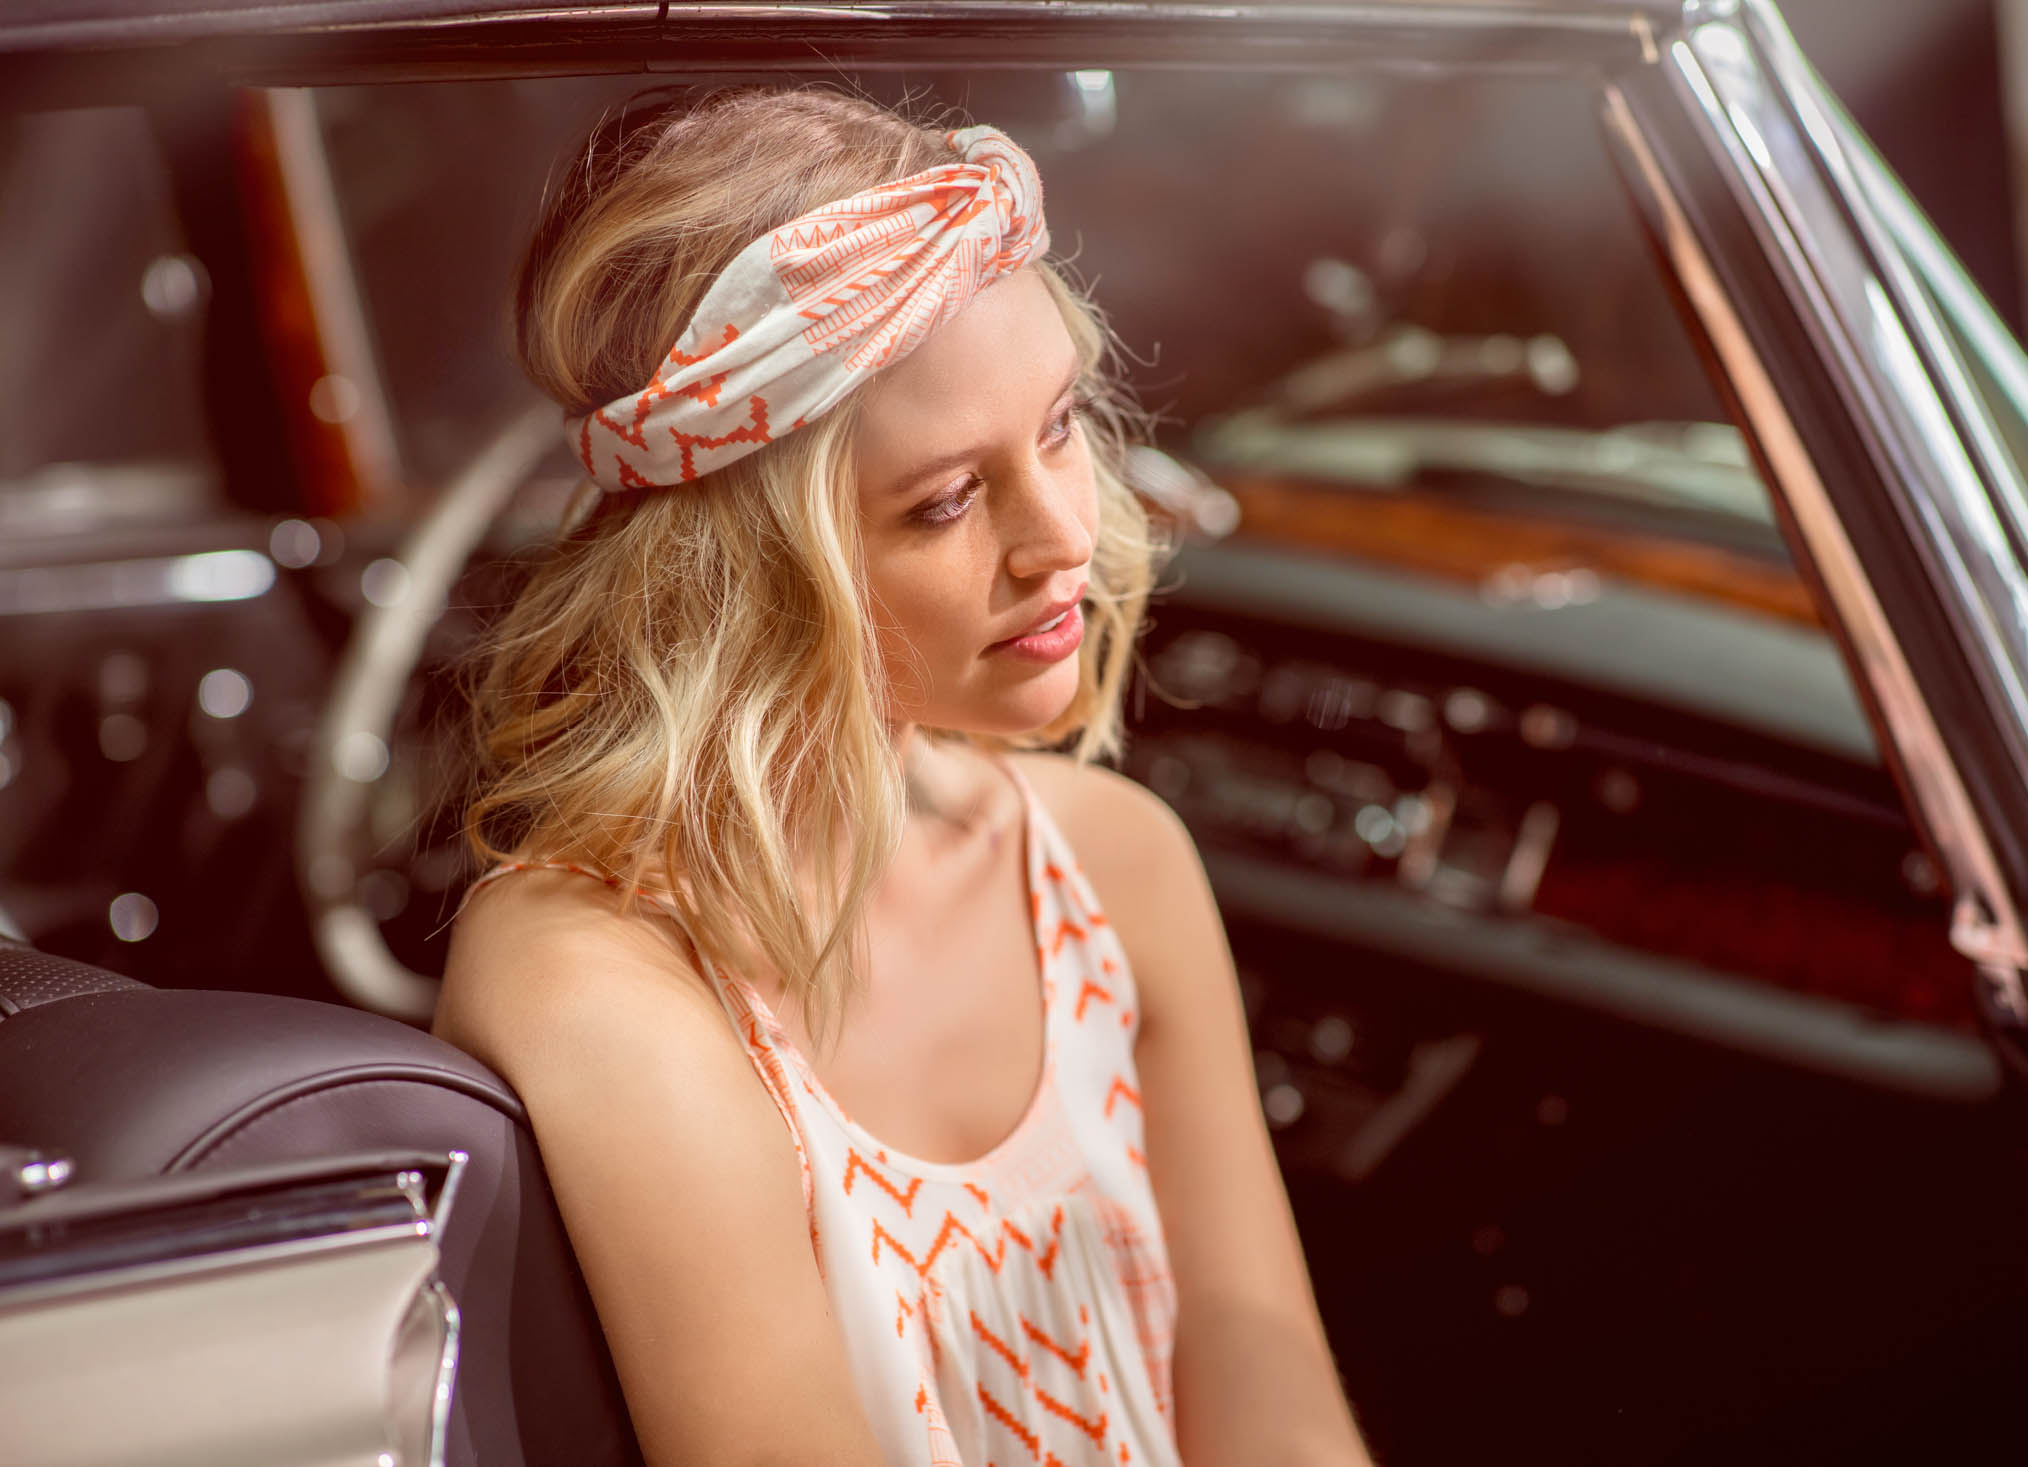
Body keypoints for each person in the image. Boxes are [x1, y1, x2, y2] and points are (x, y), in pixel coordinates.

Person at [434, 85, 1373, 1467]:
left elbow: (1265, 1384)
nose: (1064, 534)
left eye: (1059, 426)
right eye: (945, 500)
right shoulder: (601, 972)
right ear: (745, 570)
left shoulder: (1115, 863)